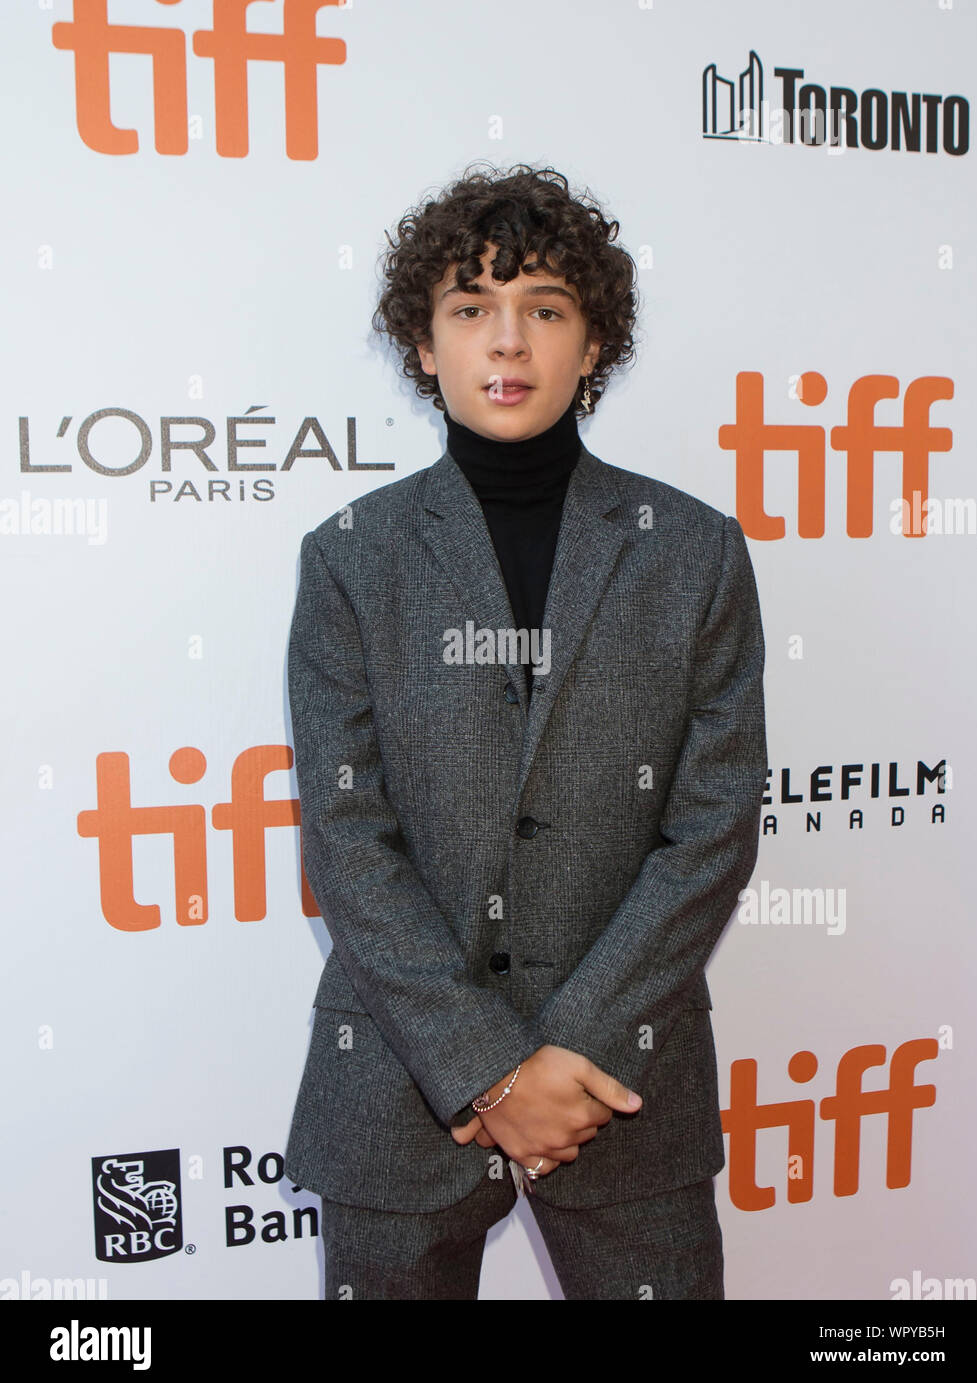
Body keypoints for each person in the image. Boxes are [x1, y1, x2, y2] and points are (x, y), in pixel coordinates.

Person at [283, 161, 767, 1300]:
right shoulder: (350, 557)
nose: (507, 344)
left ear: (593, 343)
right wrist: (486, 1071)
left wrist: (571, 1051)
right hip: (400, 1086)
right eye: (470, 310)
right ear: (422, 344)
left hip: (623, 1083)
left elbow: (713, 824)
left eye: (543, 310)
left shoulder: (690, 550)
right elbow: (347, 838)